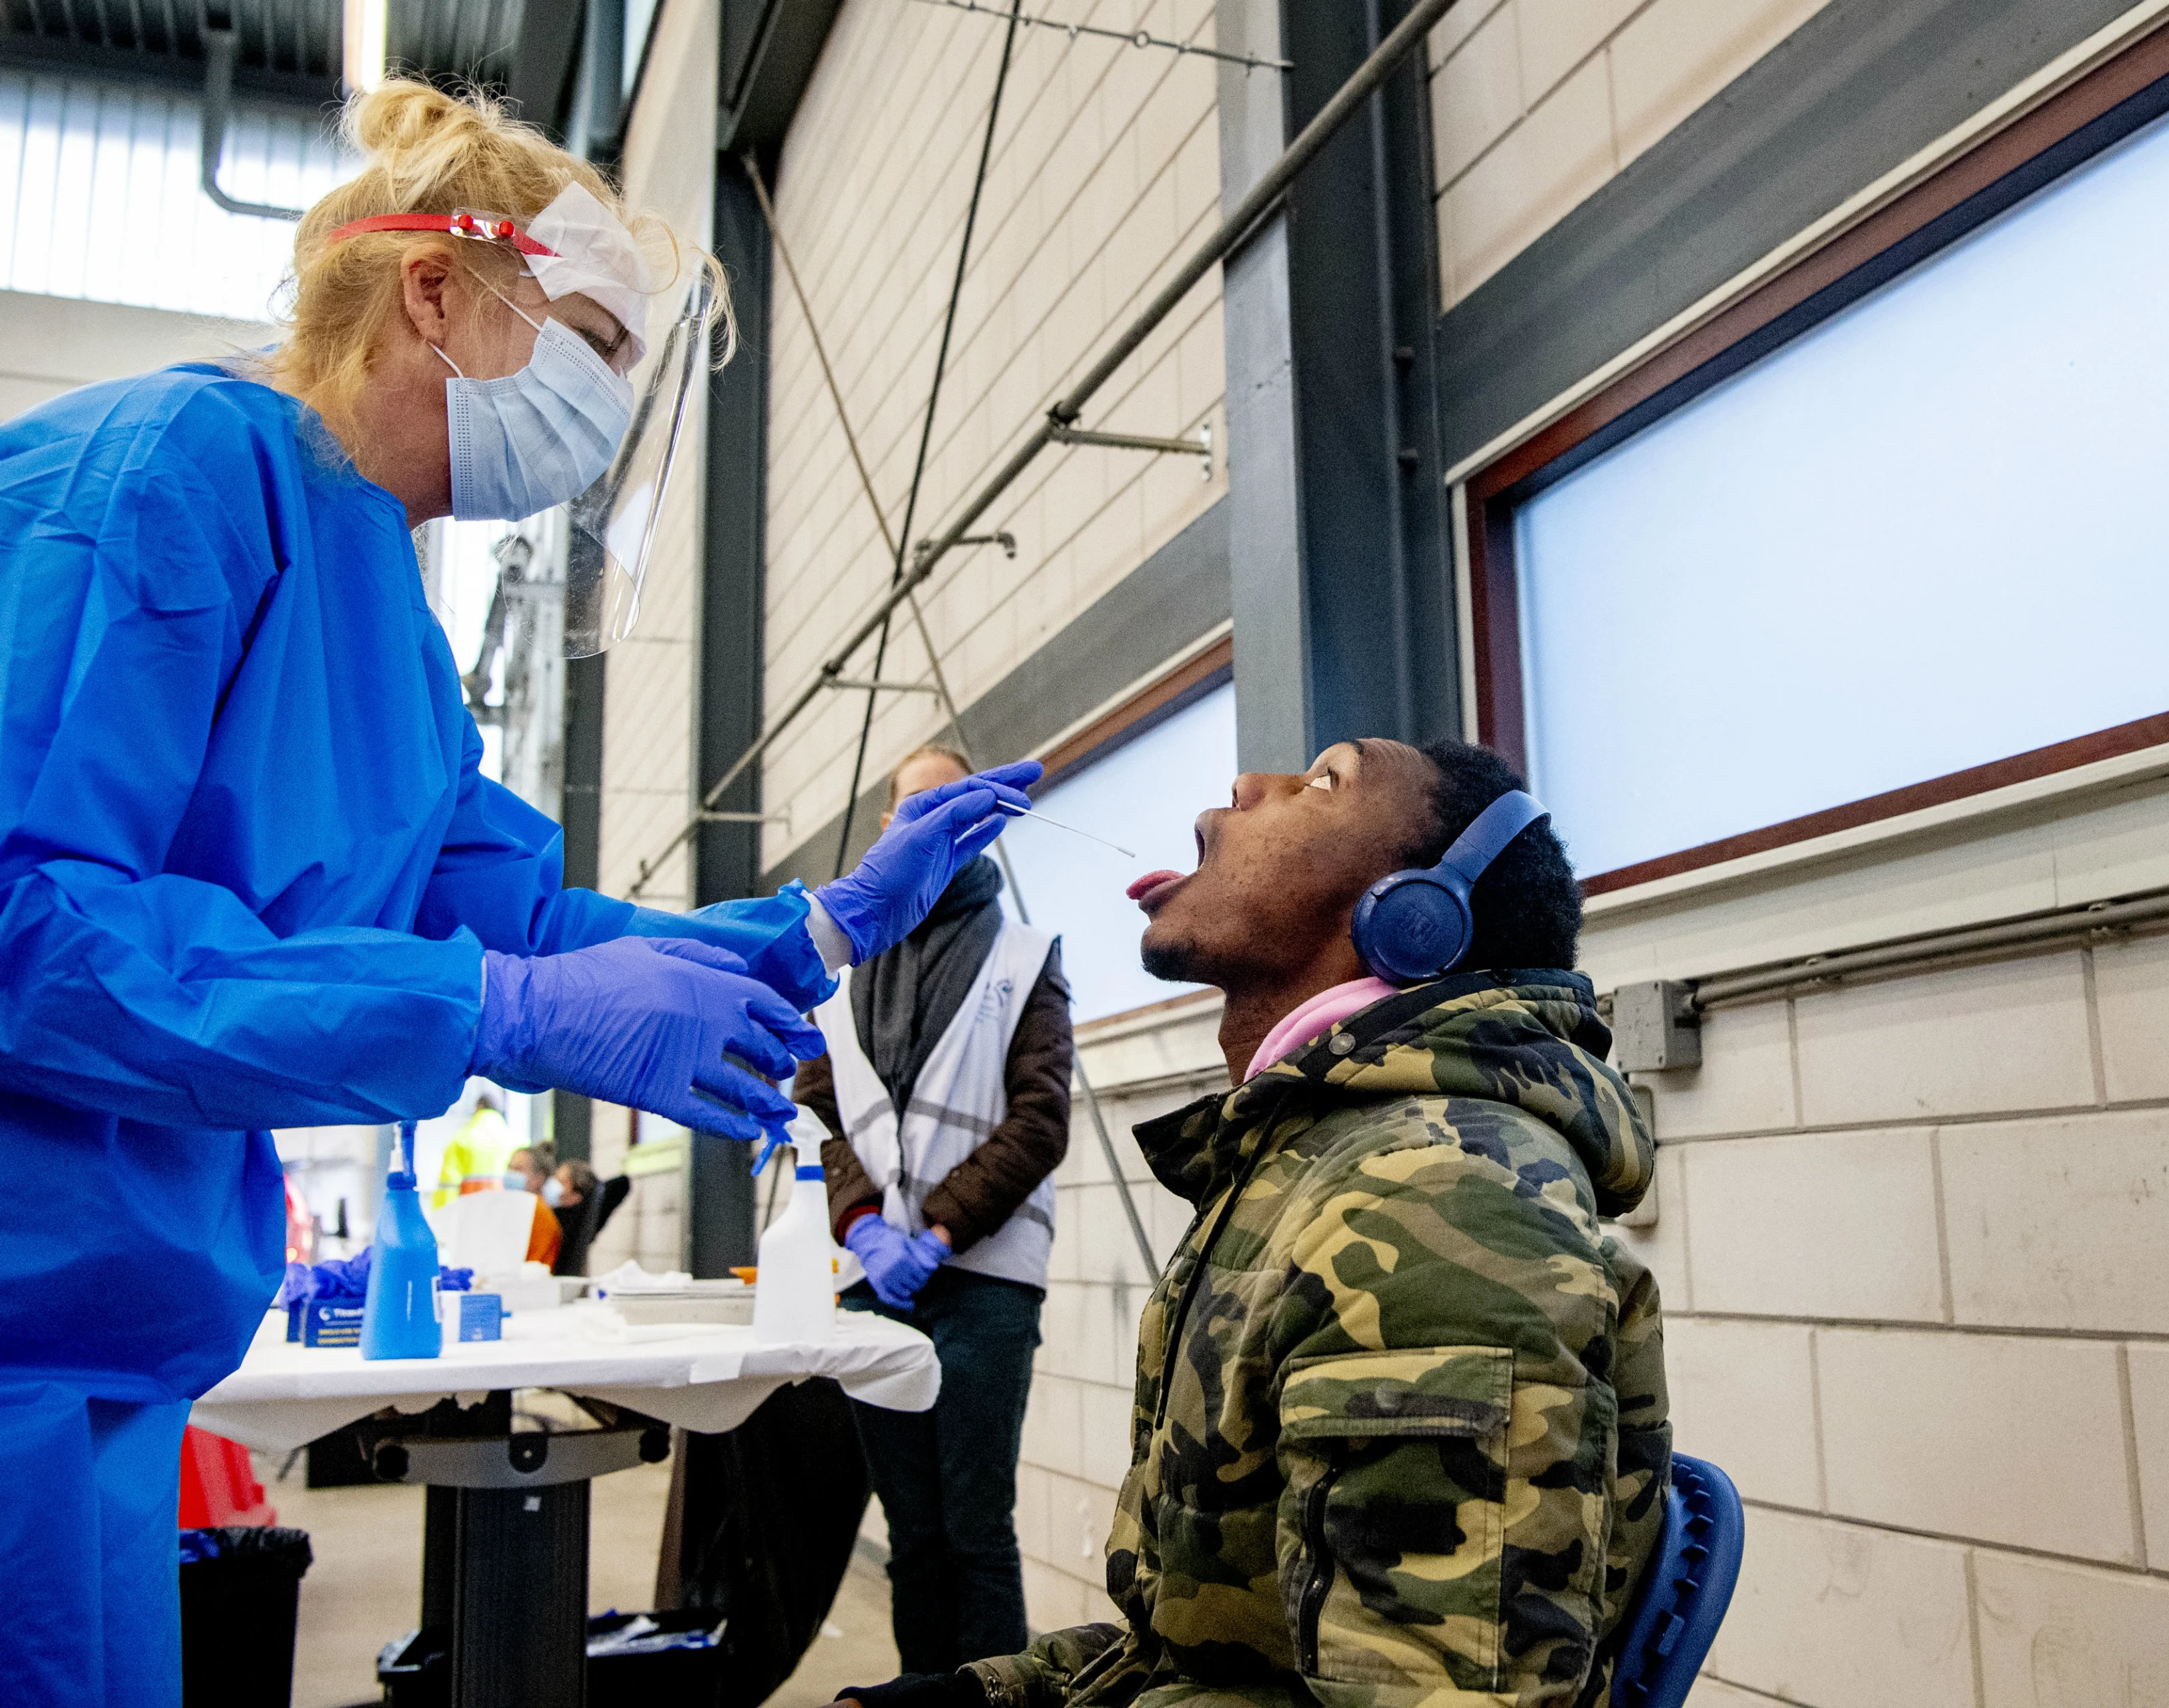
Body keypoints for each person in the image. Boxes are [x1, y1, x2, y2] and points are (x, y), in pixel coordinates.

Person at [0, 79, 1035, 1706]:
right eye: (600, 347)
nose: (612, 408)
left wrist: (822, 923)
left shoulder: (401, 640)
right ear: (432, 288)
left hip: (100, 1342)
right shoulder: (163, 474)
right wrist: (491, 1009)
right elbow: (32, 930)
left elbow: (518, 925)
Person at [837, 739, 1669, 1708]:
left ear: (1412, 916)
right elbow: (1207, 1649)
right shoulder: (1313, 1163)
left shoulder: (1436, 1198)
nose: (1245, 785)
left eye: (1325, 781)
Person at [793, 743, 1074, 1672]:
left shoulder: (1023, 952)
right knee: (911, 1536)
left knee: (975, 1531)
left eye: (948, 801)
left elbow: (1041, 1119)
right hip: (873, 1282)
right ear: (887, 828)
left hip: (984, 1283)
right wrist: (864, 1225)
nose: (931, 820)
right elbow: (818, 1111)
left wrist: (944, 1227)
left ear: (978, 815)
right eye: (915, 805)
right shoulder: (835, 965)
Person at [432, 1090, 515, 1206]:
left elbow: (447, 1187)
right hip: (508, 1214)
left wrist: (441, 1218)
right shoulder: (517, 1142)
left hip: (469, 1216)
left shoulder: (461, 1141)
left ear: (478, 1108)